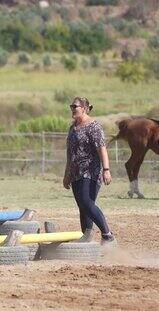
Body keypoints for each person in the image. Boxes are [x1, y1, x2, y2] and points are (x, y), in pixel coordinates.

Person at [63, 97, 115, 246]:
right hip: (75, 173)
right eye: (71, 106)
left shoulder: (94, 126)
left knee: (87, 202)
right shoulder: (72, 127)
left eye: (75, 106)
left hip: (90, 172)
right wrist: (66, 174)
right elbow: (69, 153)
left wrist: (106, 169)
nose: (72, 109)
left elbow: (102, 149)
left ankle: (107, 235)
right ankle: (87, 236)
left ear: (84, 108)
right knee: (82, 205)